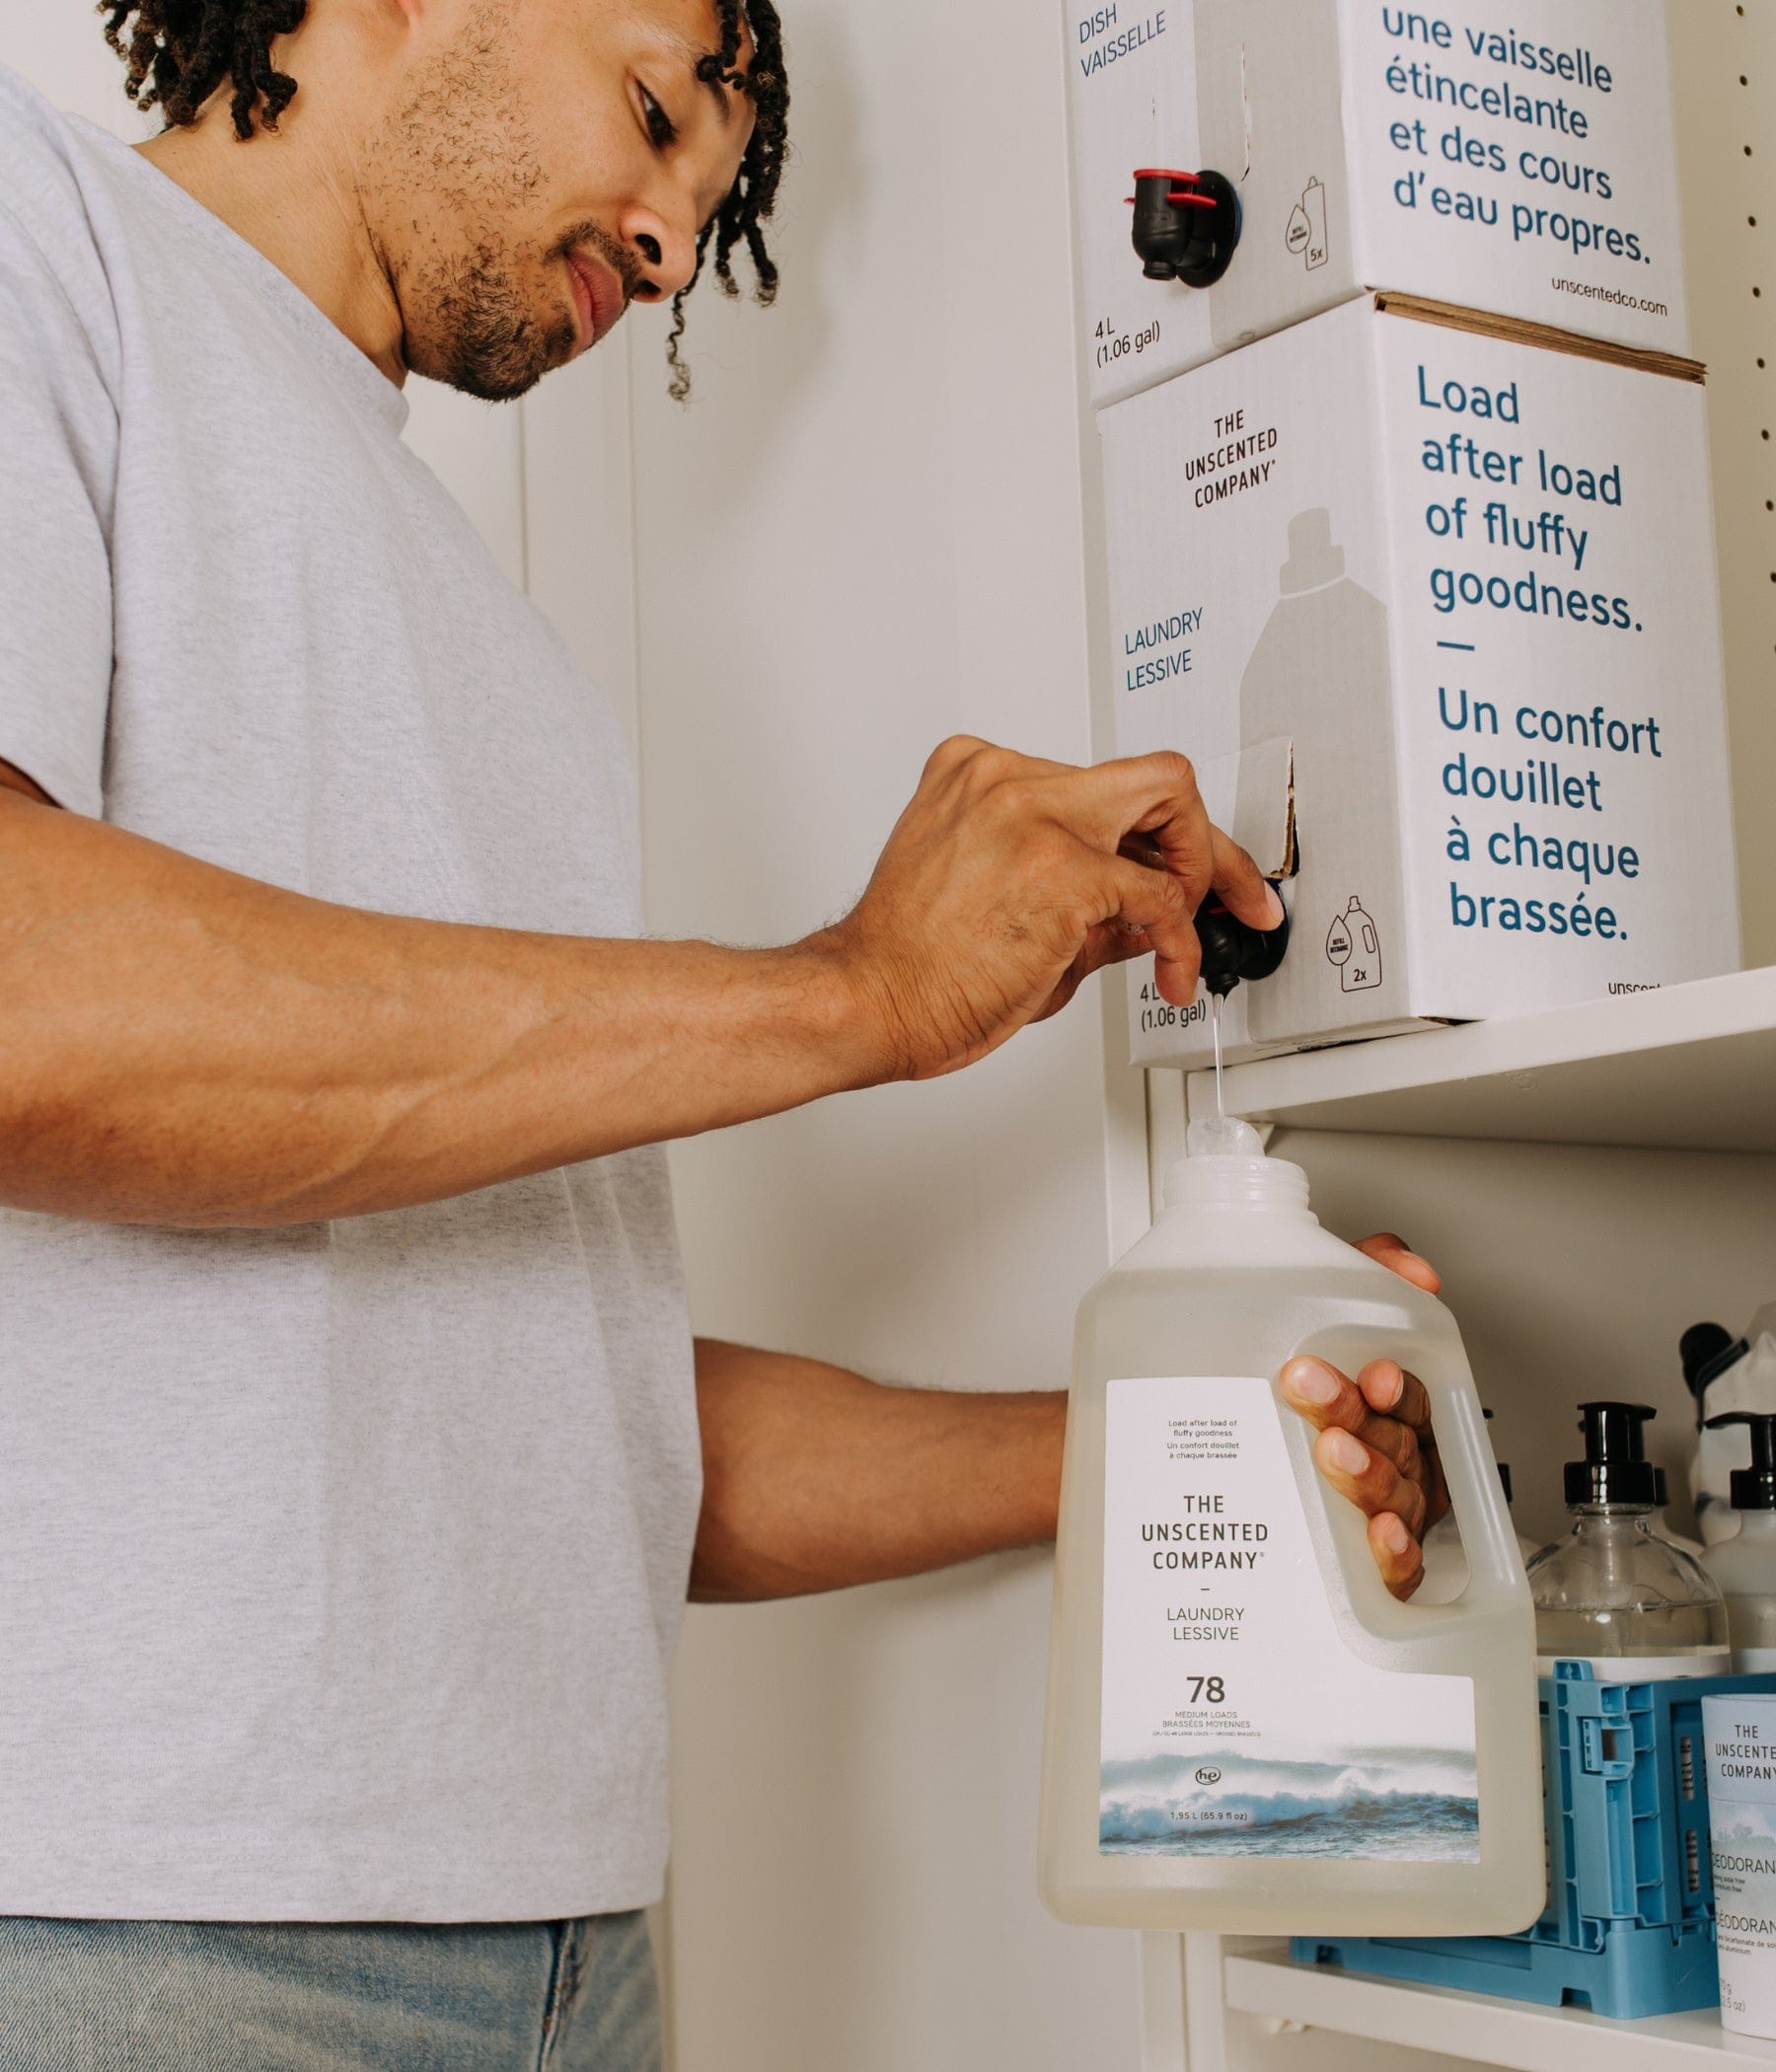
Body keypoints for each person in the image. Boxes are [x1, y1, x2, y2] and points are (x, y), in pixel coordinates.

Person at [0, 1, 1446, 2063]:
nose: (676, 243)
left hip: (570, 1949)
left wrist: (1179, 1443)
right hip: (129, 1931)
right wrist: (849, 994)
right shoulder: (33, 233)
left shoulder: (500, 643)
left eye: (710, 190)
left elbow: (567, 1427)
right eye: (658, 109)